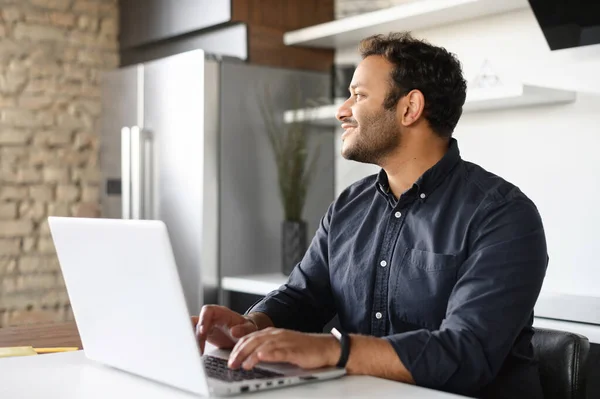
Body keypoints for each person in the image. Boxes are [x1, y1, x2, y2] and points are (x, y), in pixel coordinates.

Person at [196, 32, 548, 398]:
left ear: (410, 108)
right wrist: (249, 326)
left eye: (359, 95)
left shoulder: (503, 215)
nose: (342, 110)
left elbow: (465, 353)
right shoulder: (349, 205)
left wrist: (334, 350)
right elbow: (302, 297)